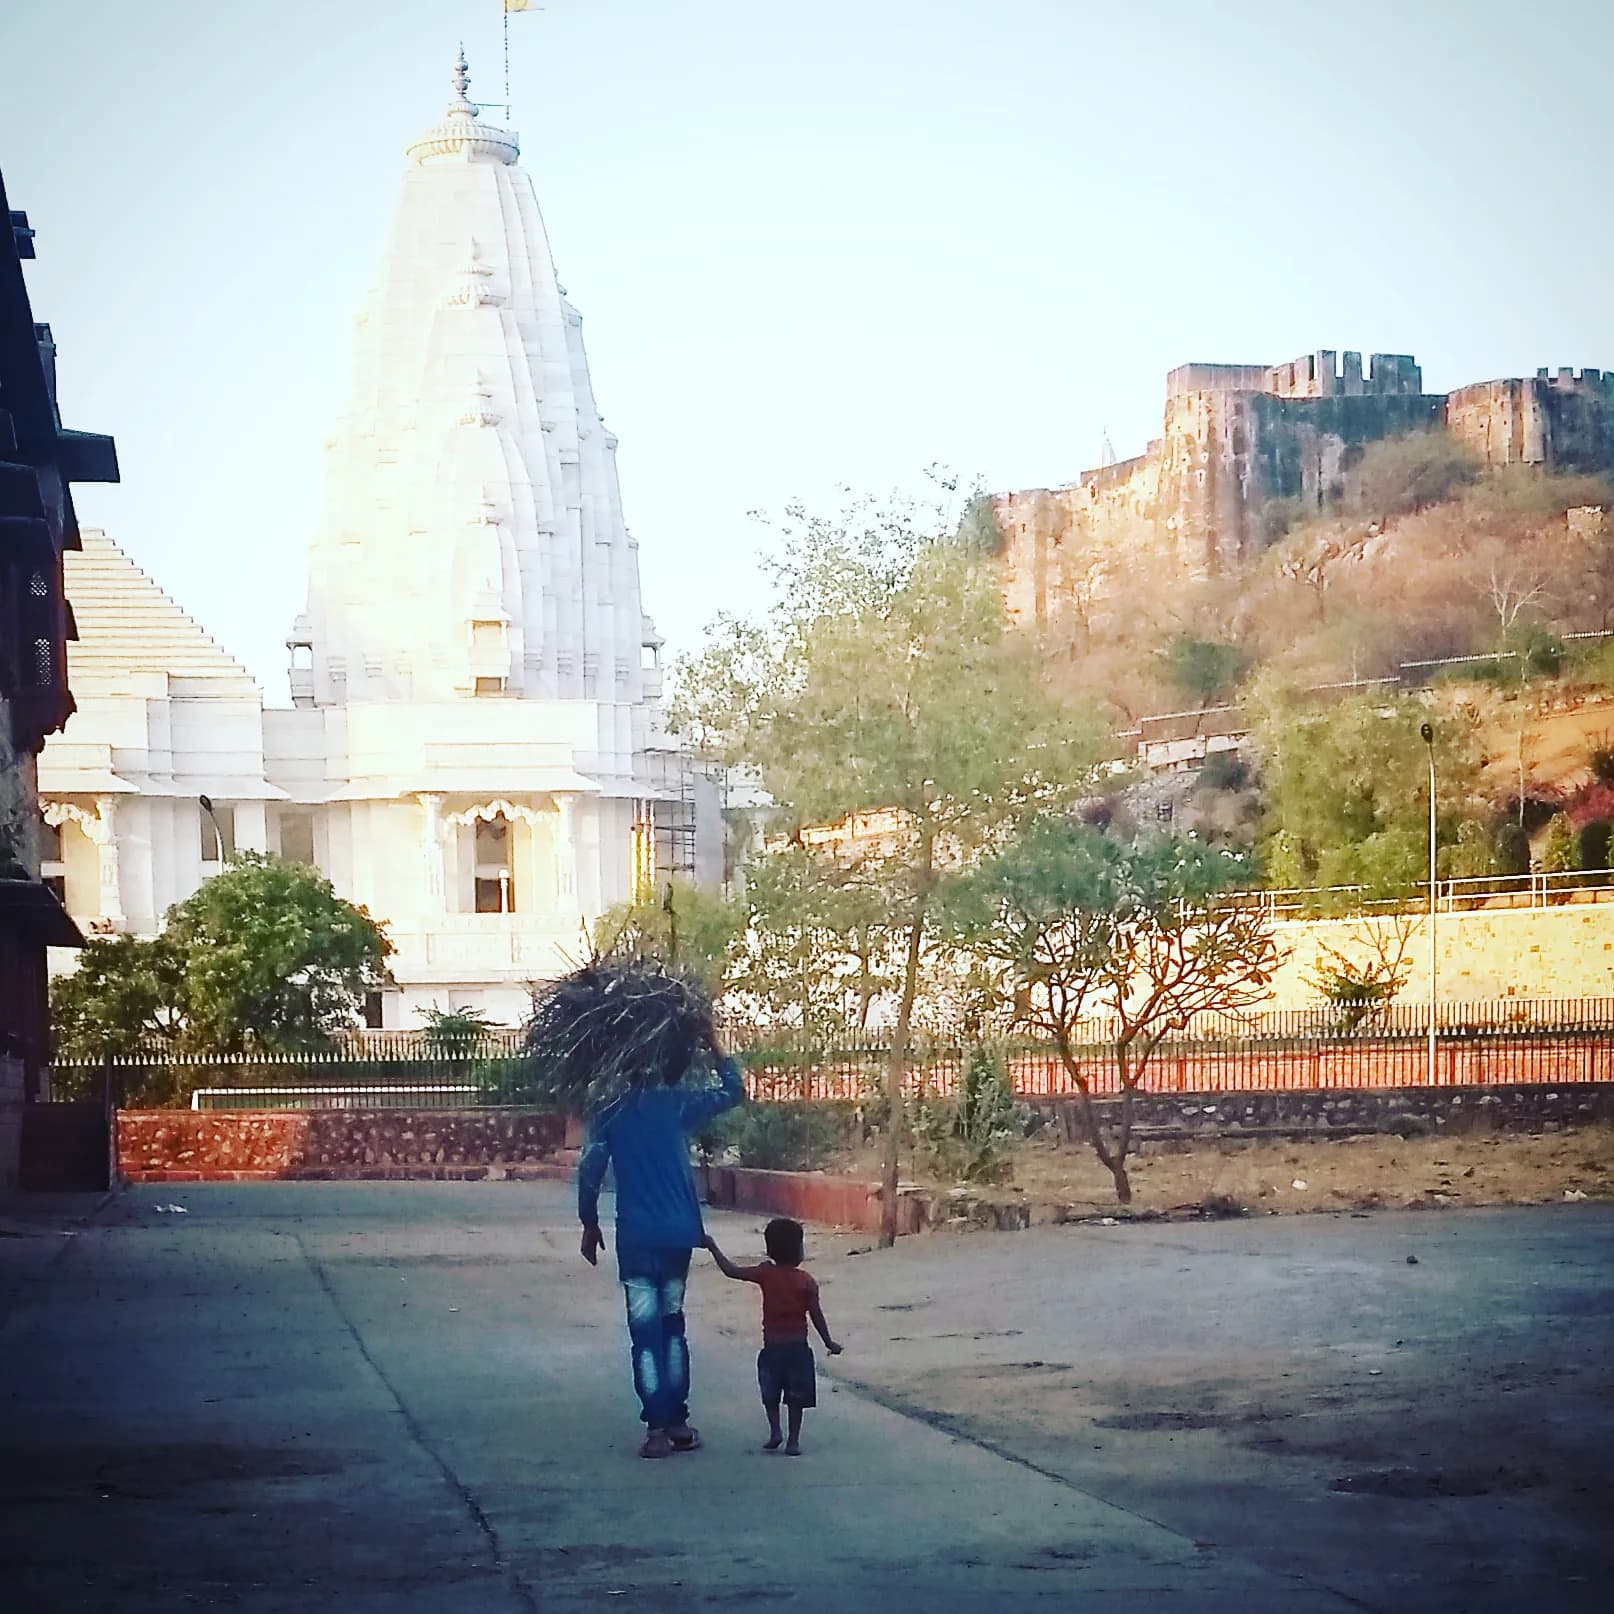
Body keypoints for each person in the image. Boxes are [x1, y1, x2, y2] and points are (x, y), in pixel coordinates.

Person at [577, 1021, 744, 1459]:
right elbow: (733, 1091)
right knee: (672, 1326)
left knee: (645, 1333)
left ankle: (655, 1429)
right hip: (678, 1237)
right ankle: (679, 1422)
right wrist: (714, 1043)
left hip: (636, 1239)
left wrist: (588, 1223)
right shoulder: (677, 1104)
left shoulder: (609, 1110)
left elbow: (590, 1170)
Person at [702, 1217, 843, 1456]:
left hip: (772, 1348)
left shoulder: (766, 1274)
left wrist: (713, 1247)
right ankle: (793, 1441)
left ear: (770, 1249)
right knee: (796, 1398)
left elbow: (731, 1271)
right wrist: (829, 1342)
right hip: (798, 1348)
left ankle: (775, 1431)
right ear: (798, 1249)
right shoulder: (806, 1281)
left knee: (770, 1394)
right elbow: (816, 1315)